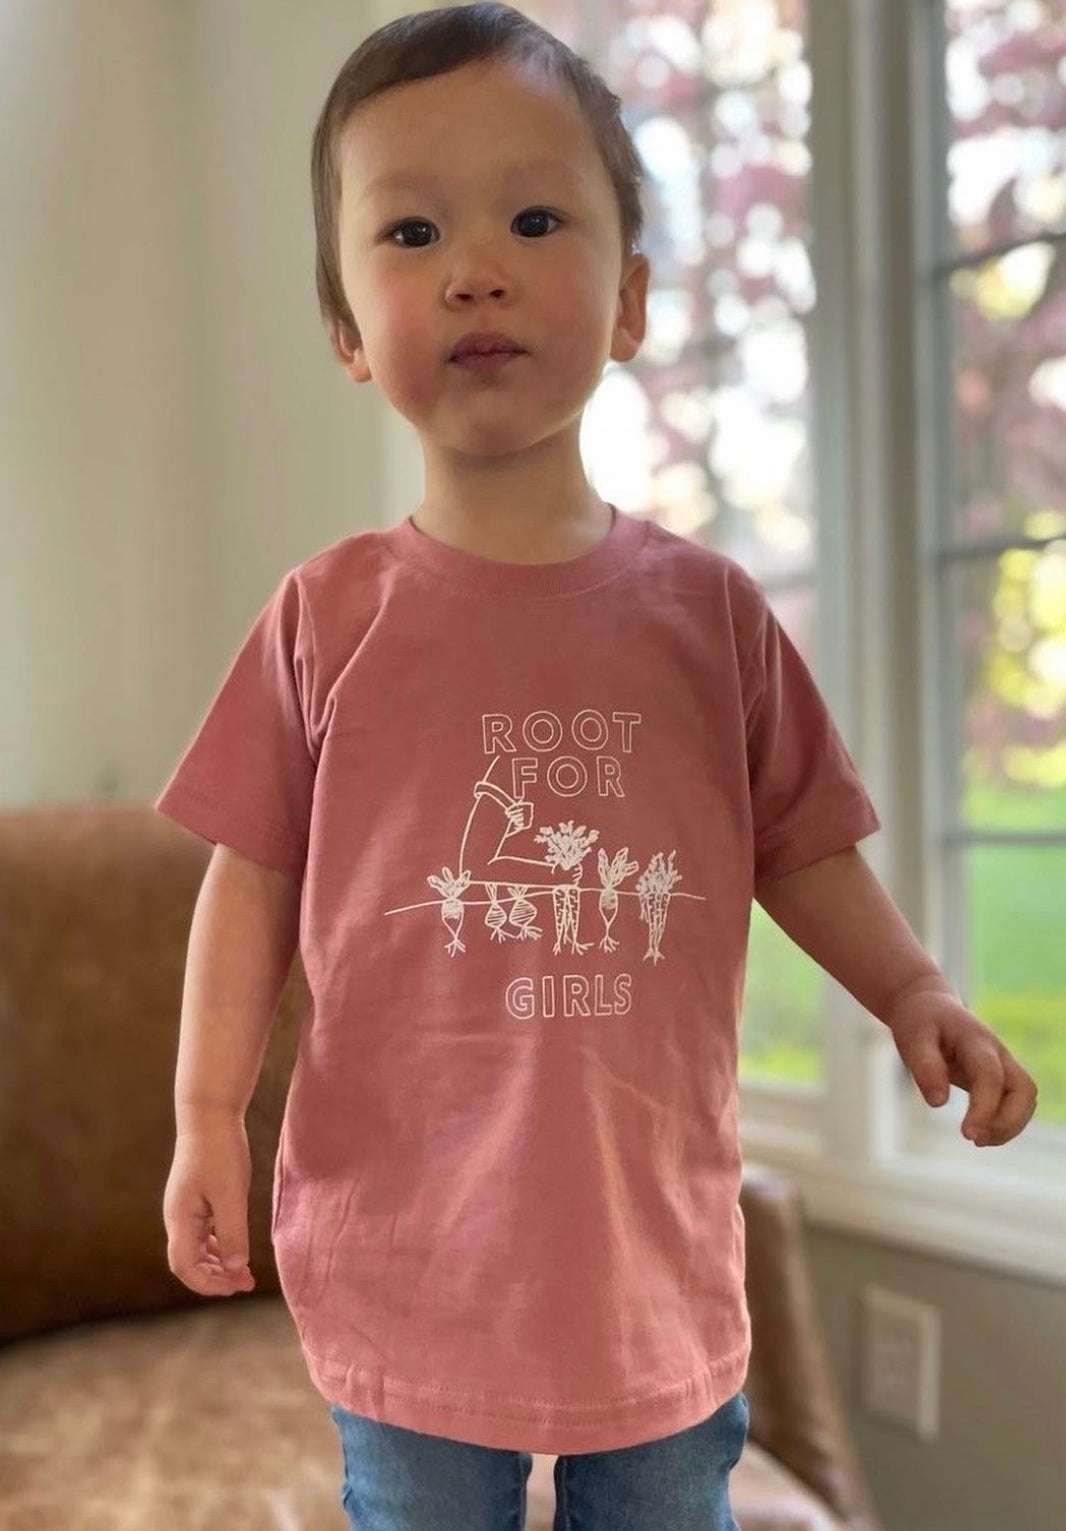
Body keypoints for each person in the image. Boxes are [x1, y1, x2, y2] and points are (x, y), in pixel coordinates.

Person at [157, 6, 1039, 1529]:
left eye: (535, 216)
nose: (475, 265)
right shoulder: (325, 617)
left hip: (649, 1266)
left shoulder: (708, 617)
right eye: (413, 228)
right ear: (349, 331)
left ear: (628, 302)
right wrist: (200, 1117)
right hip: (407, 1259)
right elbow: (249, 879)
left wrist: (912, 995)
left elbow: (802, 844)